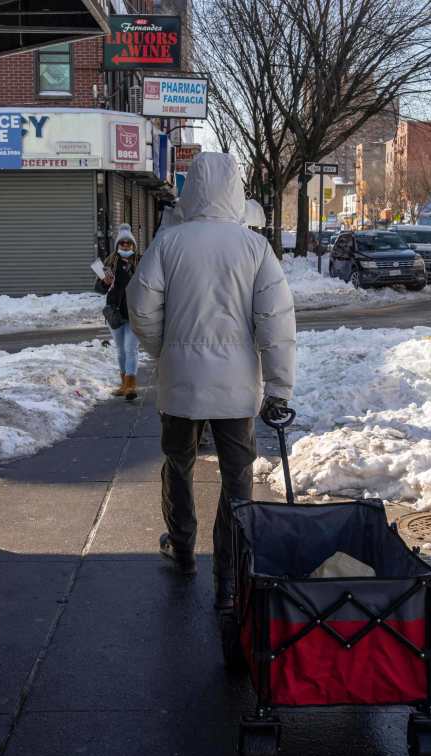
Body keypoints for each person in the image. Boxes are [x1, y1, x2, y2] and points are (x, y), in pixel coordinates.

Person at [128, 152, 297, 610]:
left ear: (192, 190)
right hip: (236, 388)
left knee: (178, 463)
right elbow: (276, 322)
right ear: (235, 191)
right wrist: (279, 388)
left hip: (180, 383)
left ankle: (183, 549)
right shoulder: (254, 248)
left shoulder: (169, 243)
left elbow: (140, 308)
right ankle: (229, 575)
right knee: (237, 477)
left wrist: (166, 348)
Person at [95, 224, 140, 400]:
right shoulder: (110, 262)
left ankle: (131, 386)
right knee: (121, 350)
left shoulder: (140, 262)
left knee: (131, 349)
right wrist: (104, 282)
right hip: (115, 313)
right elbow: (99, 289)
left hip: (135, 313)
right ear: (117, 245)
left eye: (128, 243)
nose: (126, 245)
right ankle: (123, 384)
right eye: (122, 243)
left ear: (133, 244)